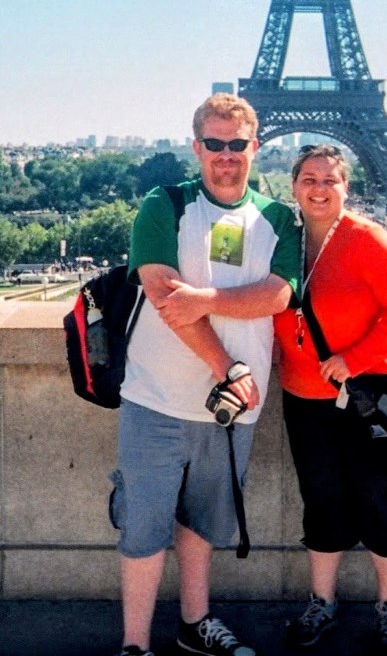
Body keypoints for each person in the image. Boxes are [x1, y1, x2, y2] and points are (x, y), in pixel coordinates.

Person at [110, 93, 299, 656]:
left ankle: (194, 623)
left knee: (202, 524)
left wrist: (206, 299)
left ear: (254, 147)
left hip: (233, 411)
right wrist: (228, 365)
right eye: (213, 144)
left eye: (236, 144)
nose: (225, 154)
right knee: (144, 528)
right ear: (197, 148)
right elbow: (165, 295)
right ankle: (135, 644)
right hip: (158, 400)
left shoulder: (278, 217)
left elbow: (279, 294)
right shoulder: (162, 204)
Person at [273, 145, 387, 656]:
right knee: (322, 504)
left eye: (329, 180)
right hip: (305, 398)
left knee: (382, 504)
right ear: (293, 186)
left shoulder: (366, 239)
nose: (319, 188)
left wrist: (354, 359)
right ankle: (322, 602)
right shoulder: (283, 243)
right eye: (309, 178)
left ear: (346, 187)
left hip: (369, 396)